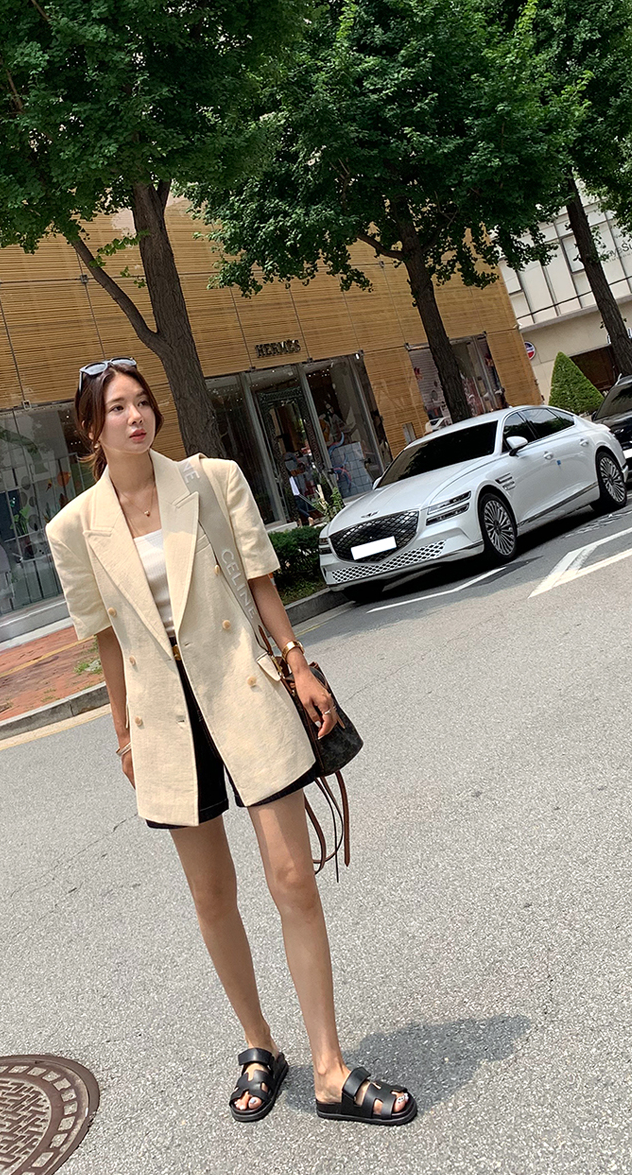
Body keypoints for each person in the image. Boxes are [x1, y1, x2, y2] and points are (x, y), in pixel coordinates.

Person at [45, 360, 416, 1132]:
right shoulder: (73, 529)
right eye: (117, 409)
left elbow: (259, 580)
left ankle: (329, 1068)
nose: (136, 418)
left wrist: (299, 665)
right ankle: (259, 1044)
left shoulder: (209, 481)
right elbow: (106, 639)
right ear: (91, 428)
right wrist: (122, 733)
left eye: (143, 402)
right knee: (212, 897)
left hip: (242, 688)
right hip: (164, 717)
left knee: (292, 878)